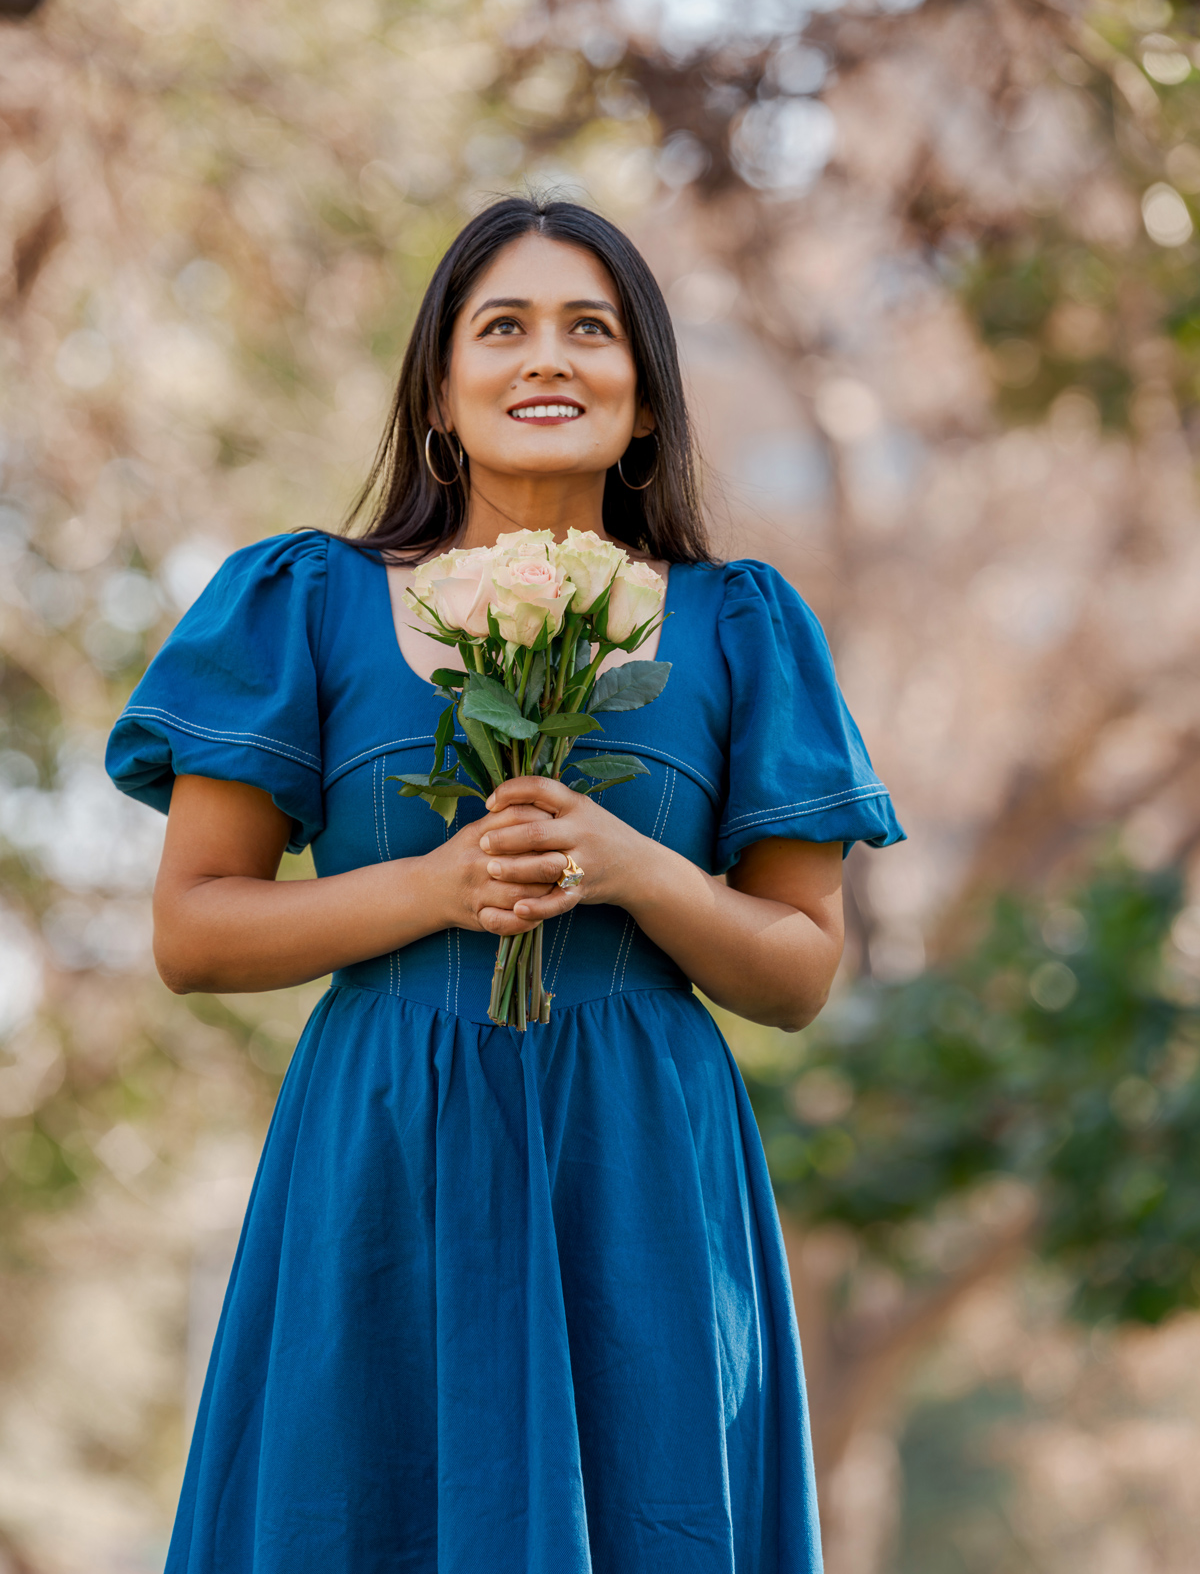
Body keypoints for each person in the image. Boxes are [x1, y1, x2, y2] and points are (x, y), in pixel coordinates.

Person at [106, 195, 903, 1573]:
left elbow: (799, 966)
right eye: (505, 327)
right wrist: (434, 888)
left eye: (591, 330)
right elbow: (194, 931)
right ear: (439, 389)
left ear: (645, 401)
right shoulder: (304, 601)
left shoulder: (740, 626)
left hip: (640, 1169)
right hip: (380, 1156)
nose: (549, 359)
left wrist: (641, 870)